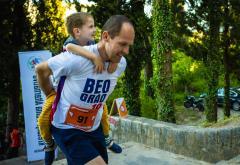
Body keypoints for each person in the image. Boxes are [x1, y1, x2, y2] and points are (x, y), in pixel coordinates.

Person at [35, 14, 134, 165]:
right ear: (106, 36)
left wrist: (113, 59)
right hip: (67, 128)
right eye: (122, 44)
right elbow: (41, 69)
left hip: (94, 129)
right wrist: (50, 93)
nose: (126, 51)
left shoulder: (120, 64)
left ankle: (106, 139)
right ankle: (48, 146)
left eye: (129, 45)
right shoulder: (76, 59)